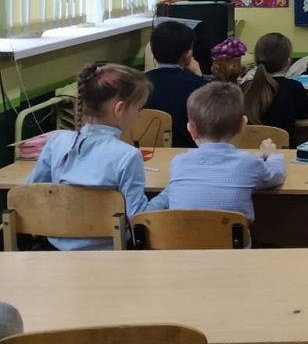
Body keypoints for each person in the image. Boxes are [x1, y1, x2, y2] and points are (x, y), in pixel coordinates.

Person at [26, 63, 167, 250]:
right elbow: (138, 218)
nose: (140, 115)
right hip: (111, 254)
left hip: (56, 251)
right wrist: (168, 193)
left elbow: (31, 194)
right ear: (120, 109)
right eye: (139, 108)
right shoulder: (128, 156)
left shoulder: (57, 141)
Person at [150, 82, 286, 231]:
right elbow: (276, 175)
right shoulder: (248, 163)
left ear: (191, 129)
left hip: (180, 244)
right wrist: (272, 155)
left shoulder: (178, 162)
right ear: (242, 125)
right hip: (231, 245)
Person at [242, 33, 308, 144]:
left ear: (255, 60)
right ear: (287, 61)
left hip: (250, 151)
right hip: (284, 152)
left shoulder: (244, 88)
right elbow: (305, 114)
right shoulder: (294, 88)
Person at [145, 20, 206, 148]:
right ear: (188, 55)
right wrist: (199, 76)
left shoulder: (138, 84)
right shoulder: (197, 85)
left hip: (147, 151)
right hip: (188, 152)